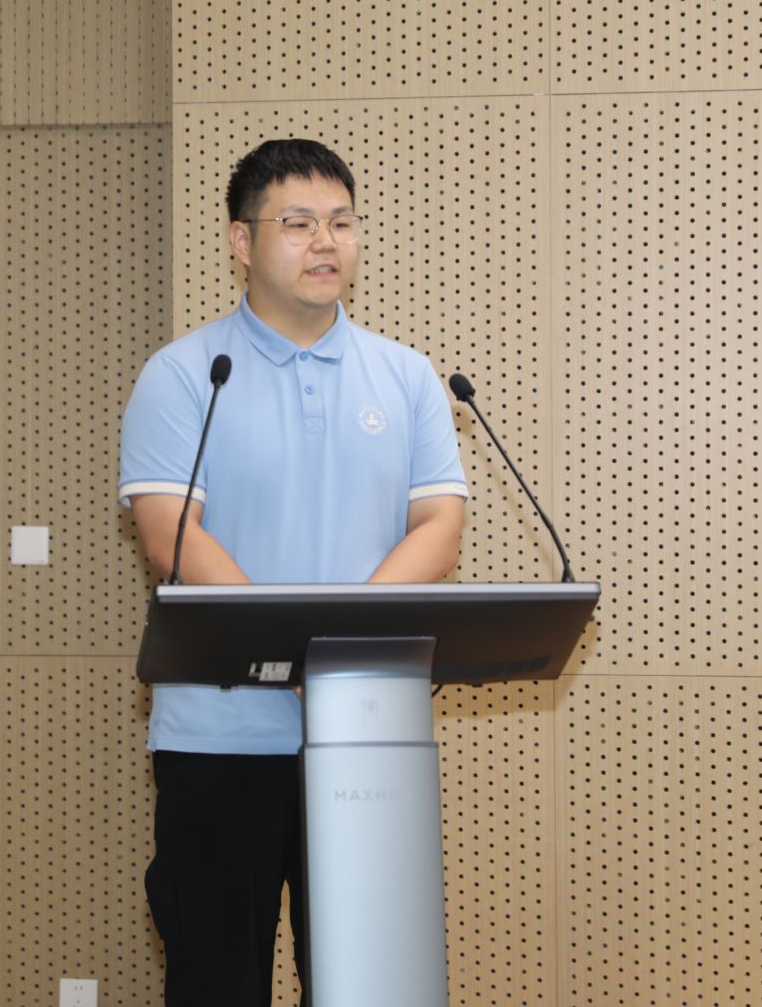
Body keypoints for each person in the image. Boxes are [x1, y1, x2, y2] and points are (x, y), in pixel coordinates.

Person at [119, 138, 469, 1006]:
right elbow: (170, 536)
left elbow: (439, 527)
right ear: (241, 241)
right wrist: (298, 654)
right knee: (217, 982)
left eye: (342, 223)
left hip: (367, 737)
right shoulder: (186, 374)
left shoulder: (407, 376)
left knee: (371, 986)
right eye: (299, 223)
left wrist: (335, 657)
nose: (326, 243)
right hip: (219, 739)